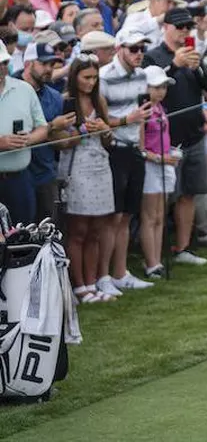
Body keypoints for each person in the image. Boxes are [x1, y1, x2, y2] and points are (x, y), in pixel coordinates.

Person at [142, 7, 207, 266]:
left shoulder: (194, 54)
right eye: (180, 26)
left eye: (188, 27)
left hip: (194, 133)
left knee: (189, 194)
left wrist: (196, 69)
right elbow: (149, 91)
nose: (184, 31)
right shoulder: (153, 56)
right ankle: (155, 252)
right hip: (163, 139)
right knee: (163, 199)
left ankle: (182, 247)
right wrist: (174, 66)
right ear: (166, 27)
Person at [98, 31, 153, 296]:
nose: (139, 53)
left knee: (127, 215)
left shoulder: (142, 75)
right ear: (120, 48)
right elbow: (98, 121)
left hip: (133, 151)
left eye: (142, 48)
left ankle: (120, 273)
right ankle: (104, 276)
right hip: (114, 151)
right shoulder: (104, 77)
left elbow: (140, 117)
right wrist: (126, 120)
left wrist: (141, 147)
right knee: (113, 217)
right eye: (133, 49)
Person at [59, 52, 116, 303]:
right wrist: (81, 132)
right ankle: (79, 285)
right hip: (76, 166)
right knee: (79, 229)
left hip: (100, 166)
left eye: (94, 77)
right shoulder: (65, 103)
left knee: (96, 230)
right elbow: (60, 142)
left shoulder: (99, 101)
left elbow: (110, 141)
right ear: (75, 77)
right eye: (86, 77)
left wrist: (105, 129)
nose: (91, 82)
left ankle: (92, 283)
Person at [19, 39, 76, 222]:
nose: (49, 68)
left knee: (48, 234)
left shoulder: (55, 97)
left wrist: (68, 132)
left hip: (45, 175)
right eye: (44, 63)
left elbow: (62, 143)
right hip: (17, 175)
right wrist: (52, 126)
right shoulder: (11, 91)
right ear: (28, 64)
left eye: (52, 64)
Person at [0, 40, 49, 224]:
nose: (2, 68)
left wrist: (28, 139)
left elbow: (42, 127)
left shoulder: (24, 89)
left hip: (19, 179)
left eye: (4, 63)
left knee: (22, 236)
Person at [140, 65, 179, 279]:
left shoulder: (161, 108)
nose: (161, 91)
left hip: (164, 164)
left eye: (163, 87)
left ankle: (157, 260)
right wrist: (157, 157)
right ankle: (151, 263)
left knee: (159, 216)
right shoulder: (145, 110)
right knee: (150, 216)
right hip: (151, 166)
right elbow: (141, 147)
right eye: (156, 87)